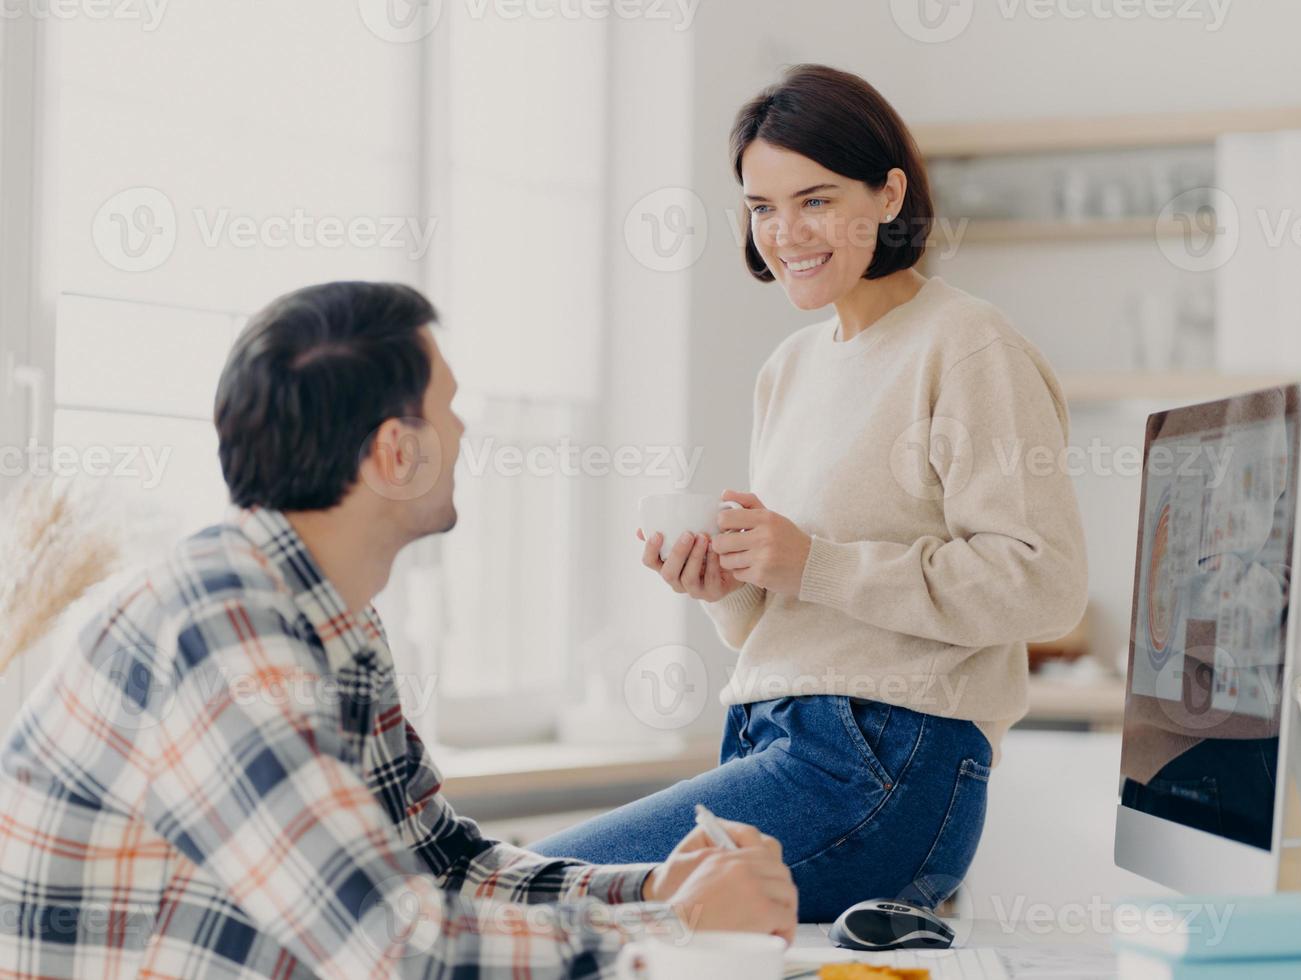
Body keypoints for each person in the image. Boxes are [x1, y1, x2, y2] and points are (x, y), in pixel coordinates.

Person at [0, 281, 796, 979]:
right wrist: (676, 935)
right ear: (394, 451)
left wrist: (657, 891)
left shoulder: (332, 618)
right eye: (449, 410)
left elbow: (445, 866)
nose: (464, 435)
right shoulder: (223, 628)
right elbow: (399, 953)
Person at [531, 65, 1089, 922]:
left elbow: (1043, 582)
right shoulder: (789, 369)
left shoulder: (965, 345)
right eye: (761, 208)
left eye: (816, 200)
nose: (784, 233)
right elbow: (799, 614)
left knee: (533, 892)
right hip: (774, 737)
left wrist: (816, 564)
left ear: (890, 194)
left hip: (888, 762)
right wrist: (728, 590)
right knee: (549, 902)